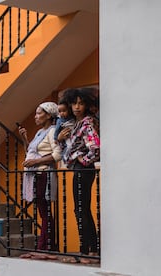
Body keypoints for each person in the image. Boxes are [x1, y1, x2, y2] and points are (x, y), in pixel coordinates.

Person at [57, 88, 100, 264]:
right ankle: (90, 249)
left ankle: (88, 250)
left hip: (84, 170)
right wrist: (60, 139)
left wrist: (83, 160)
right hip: (78, 169)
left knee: (81, 209)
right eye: (74, 103)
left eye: (81, 103)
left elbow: (96, 147)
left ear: (87, 105)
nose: (76, 107)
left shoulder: (86, 123)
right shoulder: (75, 124)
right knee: (81, 209)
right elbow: (67, 150)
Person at [18, 102, 62, 251]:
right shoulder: (39, 132)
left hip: (44, 174)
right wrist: (25, 138)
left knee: (45, 212)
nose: (35, 116)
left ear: (49, 115)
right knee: (43, 212)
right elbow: (30, 152)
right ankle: (47, 245)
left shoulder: (52, 131)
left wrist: (35, 161)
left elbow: (57, 154)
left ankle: (45, 247)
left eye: (39, 113)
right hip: (35, 175)